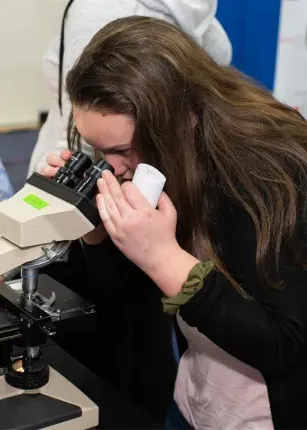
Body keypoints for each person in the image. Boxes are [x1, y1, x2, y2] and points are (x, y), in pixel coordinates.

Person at [42, 16, 307, 429]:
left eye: (122, 150)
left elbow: (284, 343)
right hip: (196, 398)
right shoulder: (170, 160)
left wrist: (163, 256)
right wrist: (95, 232)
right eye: (99, 151)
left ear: (178, 120)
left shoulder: (273, 176)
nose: (113, 169)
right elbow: (125, 297)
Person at [27, 0, 232, 176]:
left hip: (172, 176)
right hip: (91, 169)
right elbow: (88, 129)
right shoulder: (102, 12)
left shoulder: (195, 9)